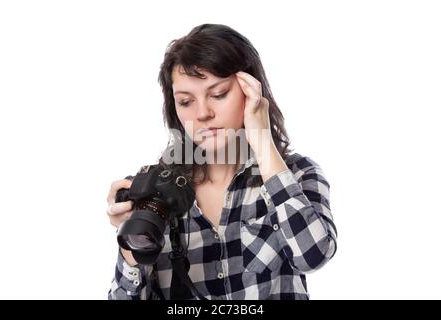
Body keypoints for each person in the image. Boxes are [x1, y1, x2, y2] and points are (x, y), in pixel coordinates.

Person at [107, 24, 337, 300]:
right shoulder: (157, 190)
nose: (202, 113)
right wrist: (131, 252)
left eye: (218, 94)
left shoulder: (297, 174)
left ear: (250, 89)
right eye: (185, 101)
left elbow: (312, 255)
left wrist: (262, 141)